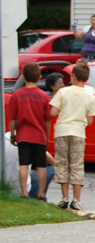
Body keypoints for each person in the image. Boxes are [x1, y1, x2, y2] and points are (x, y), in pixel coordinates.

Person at [49, 61, 95, 211]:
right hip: (78, 132)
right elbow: (90, 120)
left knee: (63, 163)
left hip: (62, 131)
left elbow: (53, 112)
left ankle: (64, 197)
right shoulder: (89, 96)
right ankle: (76, 199)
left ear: (73, 76)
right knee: (77, 165)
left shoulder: (63, 92)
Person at [8, 63, 51, 200]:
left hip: (23, 135)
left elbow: (13, 119)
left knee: (24, 164)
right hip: (39, 135)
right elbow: (47, 120)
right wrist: (47, 136)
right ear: (39, 78)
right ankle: (41, 194)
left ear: (24, 77)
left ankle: (24, 193)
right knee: (41, 165)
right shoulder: (44, 96)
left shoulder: (17, 95)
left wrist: (13, 134)